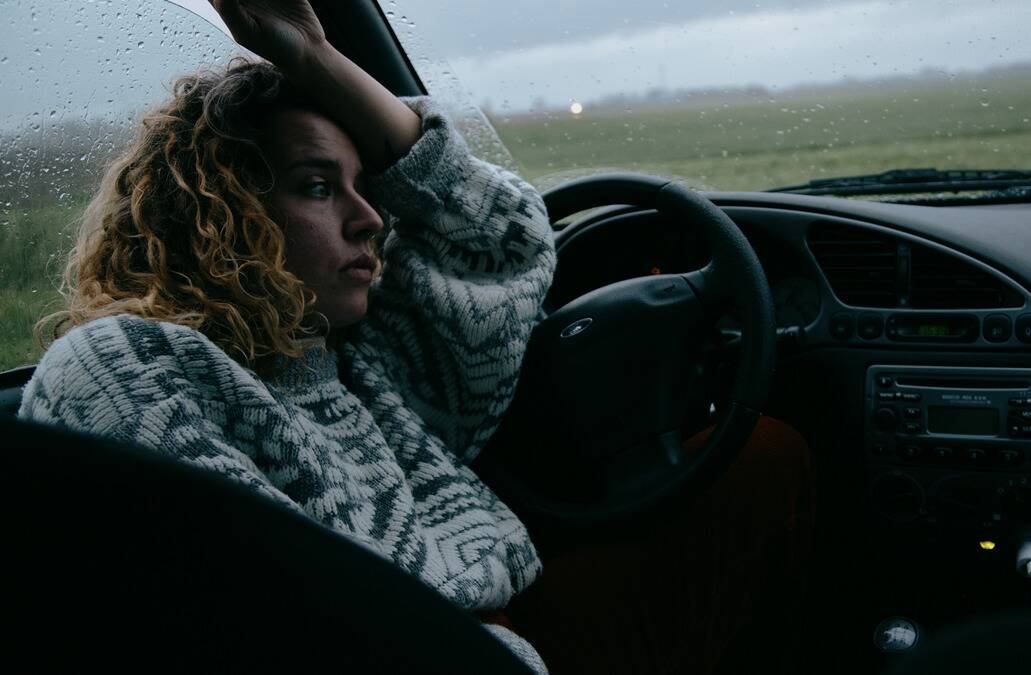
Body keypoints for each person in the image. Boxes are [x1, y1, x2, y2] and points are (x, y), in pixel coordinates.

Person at [18, 1, 811, 672]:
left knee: (765, 454)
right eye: (320, 186)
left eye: (368, 188)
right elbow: (271, 619)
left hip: (502, 627)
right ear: (218, 213)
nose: (371, 220)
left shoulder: (359, 360)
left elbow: (501, 240)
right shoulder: (129, 369)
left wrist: (320, 58)